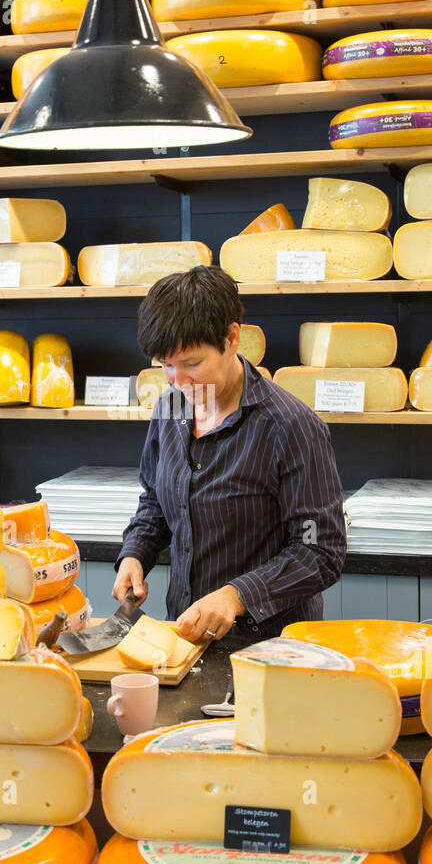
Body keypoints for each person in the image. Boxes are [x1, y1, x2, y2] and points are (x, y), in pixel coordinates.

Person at [113, 265, 346, 644]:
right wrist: (135, 555)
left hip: (270, 647)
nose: (178, 381)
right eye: (166, 366)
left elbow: (320, 551)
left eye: (192, 364)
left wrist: (237, 595)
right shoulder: (170, 408)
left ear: (232, 338)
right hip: (185, 637)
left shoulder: (290, 427)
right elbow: (155, 501)